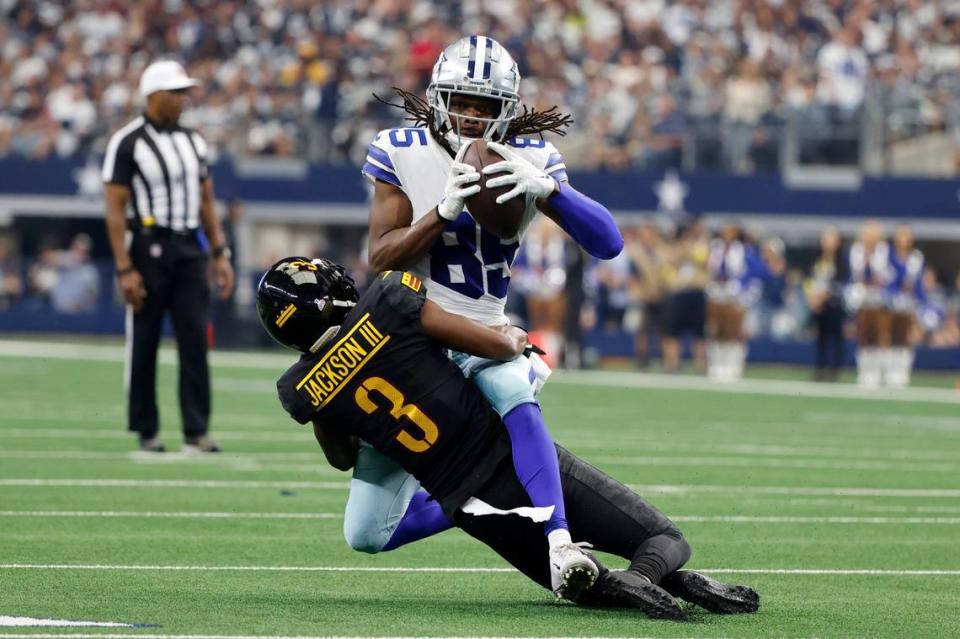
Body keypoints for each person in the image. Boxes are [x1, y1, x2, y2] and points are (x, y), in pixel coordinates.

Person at [259, 256, 760, 619]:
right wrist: (518, 338)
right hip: (517, 460)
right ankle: (654, 572)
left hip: (469, 508)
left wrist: (358, 416)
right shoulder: (390, 298)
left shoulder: (300, 390)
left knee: (583, 589)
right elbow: (489, 343)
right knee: (666, 539)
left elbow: (342, 458)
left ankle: (645, 583)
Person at [356, 35, 623, 593]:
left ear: (511, 108)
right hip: (410, 337)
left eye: (485, 106)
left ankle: (560, 543)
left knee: (512, 389)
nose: (472, 117)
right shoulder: (400, 148)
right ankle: (480, 505)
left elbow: (608, 243)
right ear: (436, 96)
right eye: (461, 101)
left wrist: (550, 190)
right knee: (367, 533)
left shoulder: (531, 156)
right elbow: (378, 258)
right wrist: (441, 213)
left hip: (482, 327)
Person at [102, 60, 235, 453]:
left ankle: (196, 431)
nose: (184, 99)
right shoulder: (127, 142)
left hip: (188, 247)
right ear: (153, 95)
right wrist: (124, 267)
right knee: (144, 338)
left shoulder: (193, 141)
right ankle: (147, 429)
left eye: (185, 91)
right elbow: (113, 208)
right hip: (146, 245)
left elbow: (207, 199)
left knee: (195, 337)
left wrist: (219, 252)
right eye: (176, 92)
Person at [846, 221, 890, 389]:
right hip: (862, 297)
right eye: (868, 233)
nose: (870, 237)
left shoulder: (884, 251)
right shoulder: (856, 251)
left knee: (880, 334)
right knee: (864, 335)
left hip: (880, 298)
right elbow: (856, 276)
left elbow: (883, 276)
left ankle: (879, 371)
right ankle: (865, 371)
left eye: (874, 234)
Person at [804, 227, 847, 381]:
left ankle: (835, 369)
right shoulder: (816, 259)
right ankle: (820, 368)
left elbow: (840, 282)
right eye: (826, 240)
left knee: (835, 337)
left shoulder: (841, 261)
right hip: (818, 306)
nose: (828, 243)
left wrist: (824, 295)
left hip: (834, 305)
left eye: (831, 240)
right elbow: (808, 279)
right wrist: (812, 297)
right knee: (820, 337)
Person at [884, 225, 925, 388]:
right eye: (901, 236)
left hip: (910, 303)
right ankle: (889, 370)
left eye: (907, 236)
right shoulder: (888, 256)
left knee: (906, 337)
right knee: (890, 335)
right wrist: (893, 294)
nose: (904, 240)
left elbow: (918, 284)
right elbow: (887, 280)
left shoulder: (916, 258)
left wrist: (920, 302)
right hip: (891, 301)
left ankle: (902, 371)